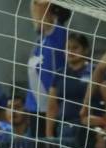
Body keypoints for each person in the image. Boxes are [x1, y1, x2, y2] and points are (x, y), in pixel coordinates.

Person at [26, 1, 71, 136]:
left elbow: (38, 6)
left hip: (50, 105)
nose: (36, 16)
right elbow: (35, 7)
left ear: (52, 13)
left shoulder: (58, 33)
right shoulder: (42, 37)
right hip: (35, 106)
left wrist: (39, 3)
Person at [46, 32, 92, 140]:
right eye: (68, 48)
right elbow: (52, 107)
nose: (70, 52)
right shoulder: (59, 75)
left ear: (85, 50)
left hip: (88, 130)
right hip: (64, 130)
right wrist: (49, 135)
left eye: (75, 48)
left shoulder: (95, 73)